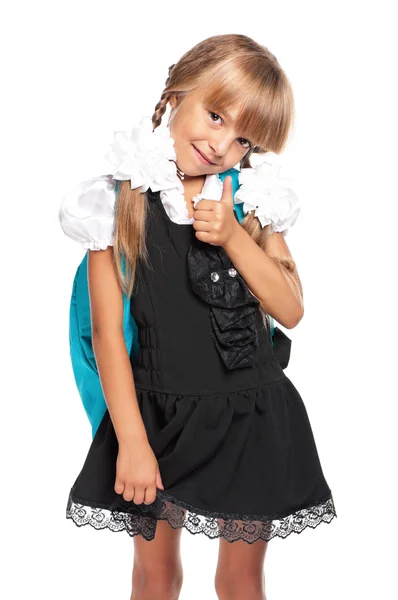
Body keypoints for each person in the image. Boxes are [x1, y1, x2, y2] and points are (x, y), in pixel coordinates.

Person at [59, 33, 337, 600]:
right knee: (156, 576)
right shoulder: (118, 203)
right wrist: (132, 442)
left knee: (241, 581)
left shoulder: (253, 199)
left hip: (250, 417)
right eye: (214, 116)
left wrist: (235, 237)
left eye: (242, 139)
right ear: (174, 95)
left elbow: (291, 309)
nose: (220, 145)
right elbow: (108, 334)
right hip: (158, 419)